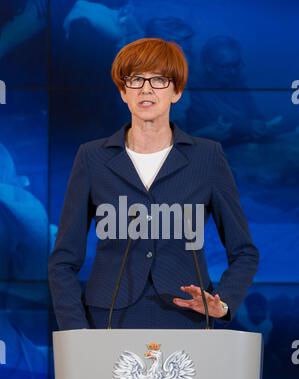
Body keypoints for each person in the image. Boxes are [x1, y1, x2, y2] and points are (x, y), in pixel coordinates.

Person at [48, 37, 259, 331]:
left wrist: (222, 304)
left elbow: (244, 252)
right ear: (123, 91)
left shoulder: (207, 157)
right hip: (108, 319)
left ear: (177, 90)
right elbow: (63, 260)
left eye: (159, 80)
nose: (146, 89)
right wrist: (75, 330)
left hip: (186, 316)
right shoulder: (92, 157)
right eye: (135, 80)